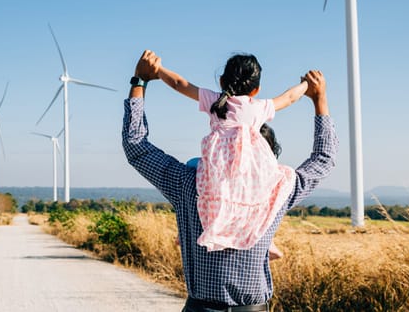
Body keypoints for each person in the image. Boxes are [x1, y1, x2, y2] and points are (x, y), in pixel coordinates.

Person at [123, 50, 338, 311]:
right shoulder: (278, 187)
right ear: (256, 90)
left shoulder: (187, 183)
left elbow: (137, 146)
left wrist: (140, 82)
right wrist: (319, 100)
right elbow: (323, 159)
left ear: (222, 84)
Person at [151, 52, 307, 258]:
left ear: (222, 81)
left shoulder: (215, 101)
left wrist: (158, 69)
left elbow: (179, 83)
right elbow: (289, 98)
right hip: (249, 172)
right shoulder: (259, 107)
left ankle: (186, 230)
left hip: (217, 170)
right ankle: (268, 241)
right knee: (266, 197)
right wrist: (307, 84)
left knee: (191, 166)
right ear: (256, 89)